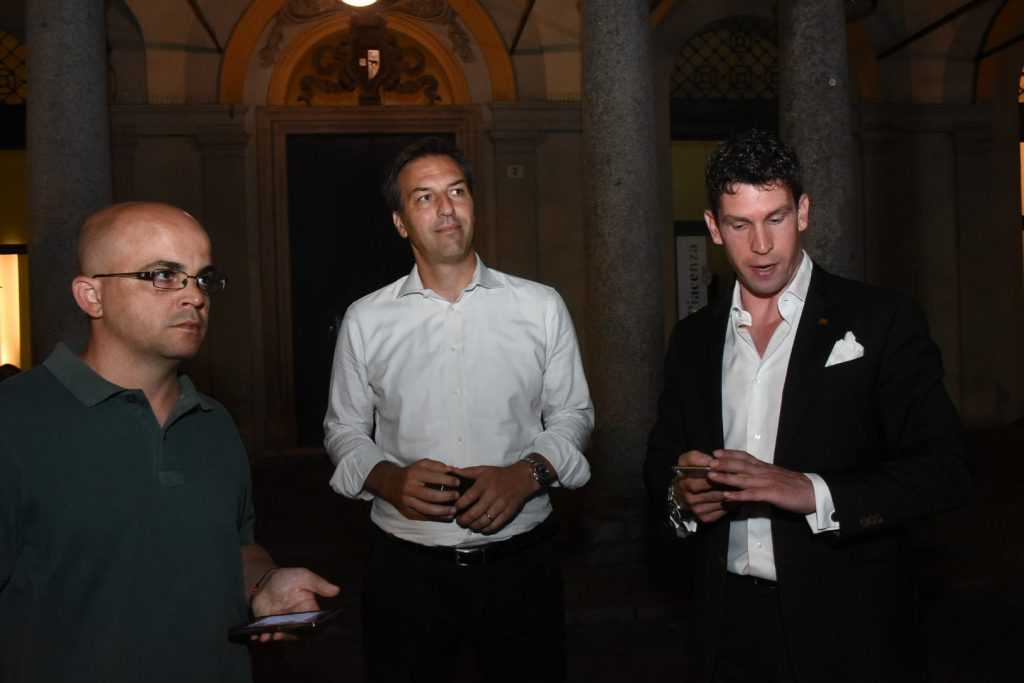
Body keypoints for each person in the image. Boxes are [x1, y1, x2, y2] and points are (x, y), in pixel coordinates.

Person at [644, 130, 968, 683]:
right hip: (724, 625)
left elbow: (946, 471)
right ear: (714, 228)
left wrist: (811, 492)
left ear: (803, 213)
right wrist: (682, 492)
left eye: (775, 218)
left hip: (848, 621)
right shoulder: (693, 339)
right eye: (740, 225)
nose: (761, 245)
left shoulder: (880, 319)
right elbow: (660, 463)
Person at [0, 202, 339, 683]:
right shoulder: (14, 420)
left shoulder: (213, 422)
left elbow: (235, 547)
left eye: (203, 279)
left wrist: (265, 583)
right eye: (163, 275)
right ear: (91, 296)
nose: (194, 296)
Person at [324, 137, 593, 682]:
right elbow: (344, 429)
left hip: (521, 563)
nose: (446, 208)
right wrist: (387, 479)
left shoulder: (540, 306)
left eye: (457, 192)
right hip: (407, 569)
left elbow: (573, 414)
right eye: (424, 197)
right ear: (401, 223)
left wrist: (527, 475)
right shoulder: (366, 319)